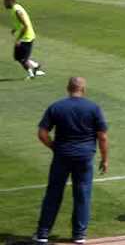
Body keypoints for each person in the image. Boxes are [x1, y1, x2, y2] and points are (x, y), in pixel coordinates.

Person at [33, 77, 109, 244]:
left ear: (68, 88)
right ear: (84, 89)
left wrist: (54, 147)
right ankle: (79, 235)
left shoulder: (56, 107)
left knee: (53, 193)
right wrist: (104, 159)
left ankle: (43, 233)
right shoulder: (93, 108)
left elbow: (42, 133)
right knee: (82, 194)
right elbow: (102, 137)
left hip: (62, 156)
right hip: (84, 157)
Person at [3, 0, 45, 79]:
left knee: (22, 59)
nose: (4, 3)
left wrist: (19, 39)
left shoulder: (17, 11)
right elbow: (20, 23)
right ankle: (36, 66)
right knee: (18, 57)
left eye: (5, 2)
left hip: (26, 37)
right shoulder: (15, 8)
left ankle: (31, 74)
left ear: (10, 1)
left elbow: (25, 26)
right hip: (25, 36)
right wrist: (15, 28)